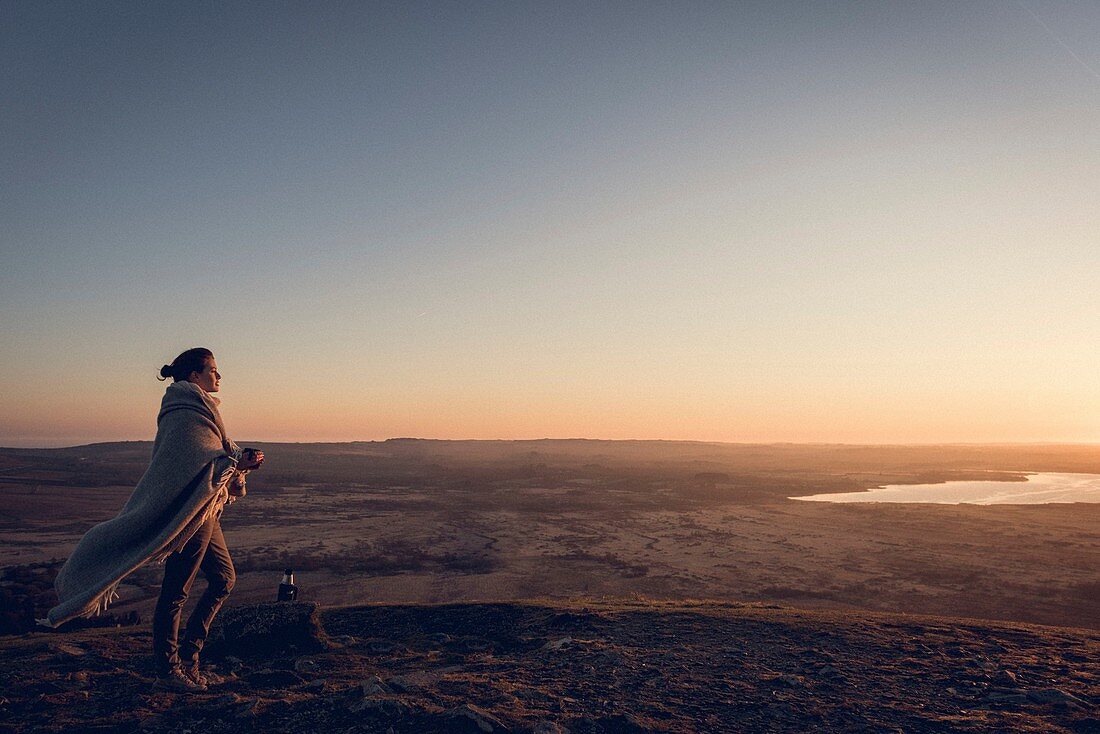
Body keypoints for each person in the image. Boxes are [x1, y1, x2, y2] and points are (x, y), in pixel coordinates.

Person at [40, 348, 264, 693]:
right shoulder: (183, 413)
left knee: (223, 579)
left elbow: (214, 458)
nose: (219, 377)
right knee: (177, 591)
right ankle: (169, 670)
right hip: (188, 513)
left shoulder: (201, 410)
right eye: (214, 371)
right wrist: (236, 462)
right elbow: (196, 464)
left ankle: (190, 660)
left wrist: (238, 462)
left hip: (206, 509)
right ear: (194, 375)